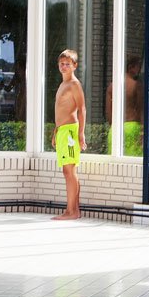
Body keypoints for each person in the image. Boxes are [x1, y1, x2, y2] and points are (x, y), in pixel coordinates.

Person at [52, 49, 87, 221]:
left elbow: (82, 109)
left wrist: (81, 134)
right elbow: (60, 110)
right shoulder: (62, 85)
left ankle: (71, 211)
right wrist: (56, 131)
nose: (64, 67)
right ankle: (74, 210)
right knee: (67, 171)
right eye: (62, 64)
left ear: (75, 66)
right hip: (62, 131)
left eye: (67, 64)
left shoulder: (74, 84)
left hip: (71, 133)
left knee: (69, 171)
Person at [105, 53, 144, 156]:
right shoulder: (136, 86)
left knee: (115, 164)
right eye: (138, 66)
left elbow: (108, 112)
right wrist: (142, 131)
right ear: (131, 67)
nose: (139, 70)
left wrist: (113, 127)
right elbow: (141, 110)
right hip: (132, 128)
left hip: (115, 129)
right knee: (134, 165)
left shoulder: (112, 86)